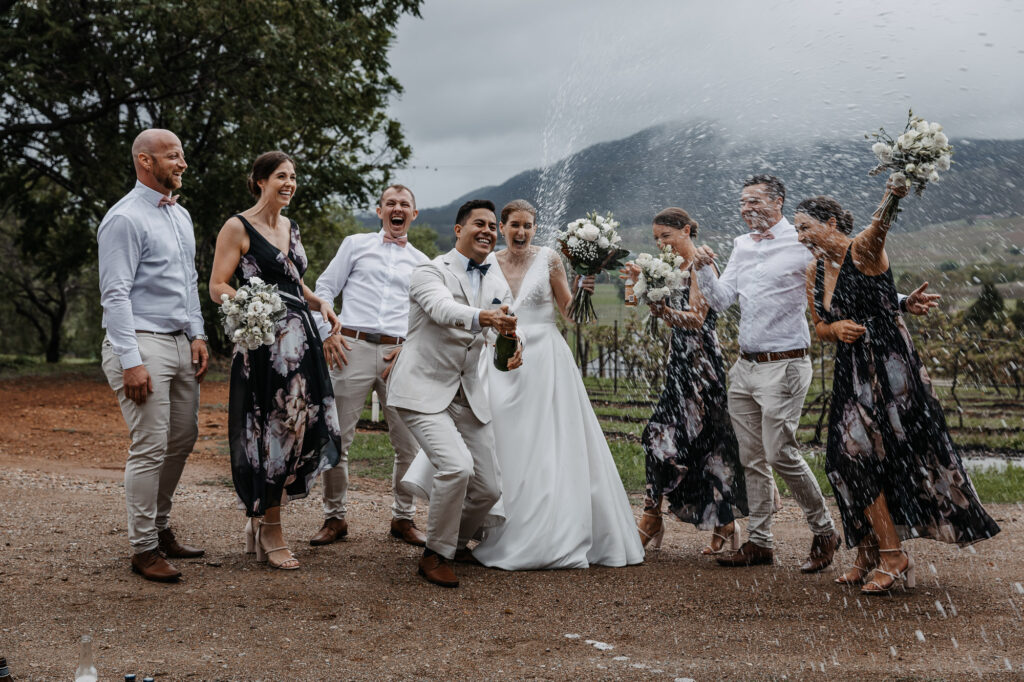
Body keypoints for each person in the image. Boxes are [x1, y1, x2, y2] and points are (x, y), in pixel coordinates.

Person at [693, 174, 939, 572]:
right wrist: (704, 269)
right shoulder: (739, 246)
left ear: (778, 202)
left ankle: (823, 529)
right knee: (751, 456)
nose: (746, 208)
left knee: (779, 452)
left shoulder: (804, 239)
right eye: (742, 202)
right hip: (745, 365)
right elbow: (720, 302)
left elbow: (850, 277)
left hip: (786, 363)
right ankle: (760, 541)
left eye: (754, 201)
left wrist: (902, 302)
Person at [795, 184, 1000, 594]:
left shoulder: (863, 250)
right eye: (796, 231)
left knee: (882, 456)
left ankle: (893, 555)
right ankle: (869, 550)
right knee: (845, 458)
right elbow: (818, 325)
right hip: (852, 372)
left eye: (805, 227)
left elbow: (880, 224)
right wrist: (835, 329)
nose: (800, 237)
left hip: (891, 373)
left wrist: (895, 192)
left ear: (831, 223)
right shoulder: (814, 271)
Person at [451, 199, 643, 569]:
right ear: (502, 228)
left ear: (534, 228)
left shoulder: (550, 260)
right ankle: (489, 525)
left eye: (528, 226)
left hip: (546, 361)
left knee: (547, 445)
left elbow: (572, 316)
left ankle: (545, 529)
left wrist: (585, 286)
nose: (521, 232)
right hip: (500, 359)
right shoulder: (487, 262)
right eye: (514, 226)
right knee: (503, 441)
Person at [209, 151, 342, 570]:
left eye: (294, 177)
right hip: (264, 347)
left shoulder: (290, 226)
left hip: (301, 345)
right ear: (260, 180)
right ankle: (271, 526)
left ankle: (260, 517)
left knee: (299, 428)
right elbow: (217, 286)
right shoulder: (237, 226)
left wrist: (318, 300)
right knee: (274, 430)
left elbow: (293, 279)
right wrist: (253, 305)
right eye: (282, 176)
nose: (290, 183)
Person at [386, 199, 521, 588]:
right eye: (479, 224)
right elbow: (442, 309)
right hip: (421, 389)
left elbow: (504, 329)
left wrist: (515, 344)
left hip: (467, 393)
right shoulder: (429, 270)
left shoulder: (496, 281)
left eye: (493, 226)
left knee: (489, 488)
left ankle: (452, 543)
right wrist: (484, 317)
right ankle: (435, 555)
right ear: (459, 230)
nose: (488, 231)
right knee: (456, 466)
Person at [98, 128, 209, 582]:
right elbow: (115, 295)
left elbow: (189, 282)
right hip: (141, 342)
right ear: (146, 161)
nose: (181, 163)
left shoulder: (180, 216)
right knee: (150, 446)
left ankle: (161, 527)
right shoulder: (124, 219)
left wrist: (198, 334)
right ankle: (143, 547)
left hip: (181, 341)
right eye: (173, 156)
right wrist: (131, 360)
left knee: (182, 438)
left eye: (181, 155)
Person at [309, 185, 429, 548]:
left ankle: (403, 519)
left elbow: (427, 315)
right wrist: (327, 333)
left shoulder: (424, 262)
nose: (397, 208)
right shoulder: (355, 244)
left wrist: (412, 348)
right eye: (390, 203)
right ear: (379, 211)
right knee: (338, 438)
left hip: (399, 354)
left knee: (407, 443)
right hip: (351, 346)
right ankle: (335, 517)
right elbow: (325, 289)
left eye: (404, 204)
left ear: (414, 214)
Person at [624, 208, 748, 556]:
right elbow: (633, 300)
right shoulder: (669, 268)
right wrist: (637, 283)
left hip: (702, 365)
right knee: (661, 438)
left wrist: (662, 311)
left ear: (687, 230)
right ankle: (655, 516)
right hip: (678, 362)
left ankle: (720, 521)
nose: (661, 243)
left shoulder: (701, 263)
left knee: (704, 444)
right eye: (656, 238)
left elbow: (696, 318)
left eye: (666, 236)